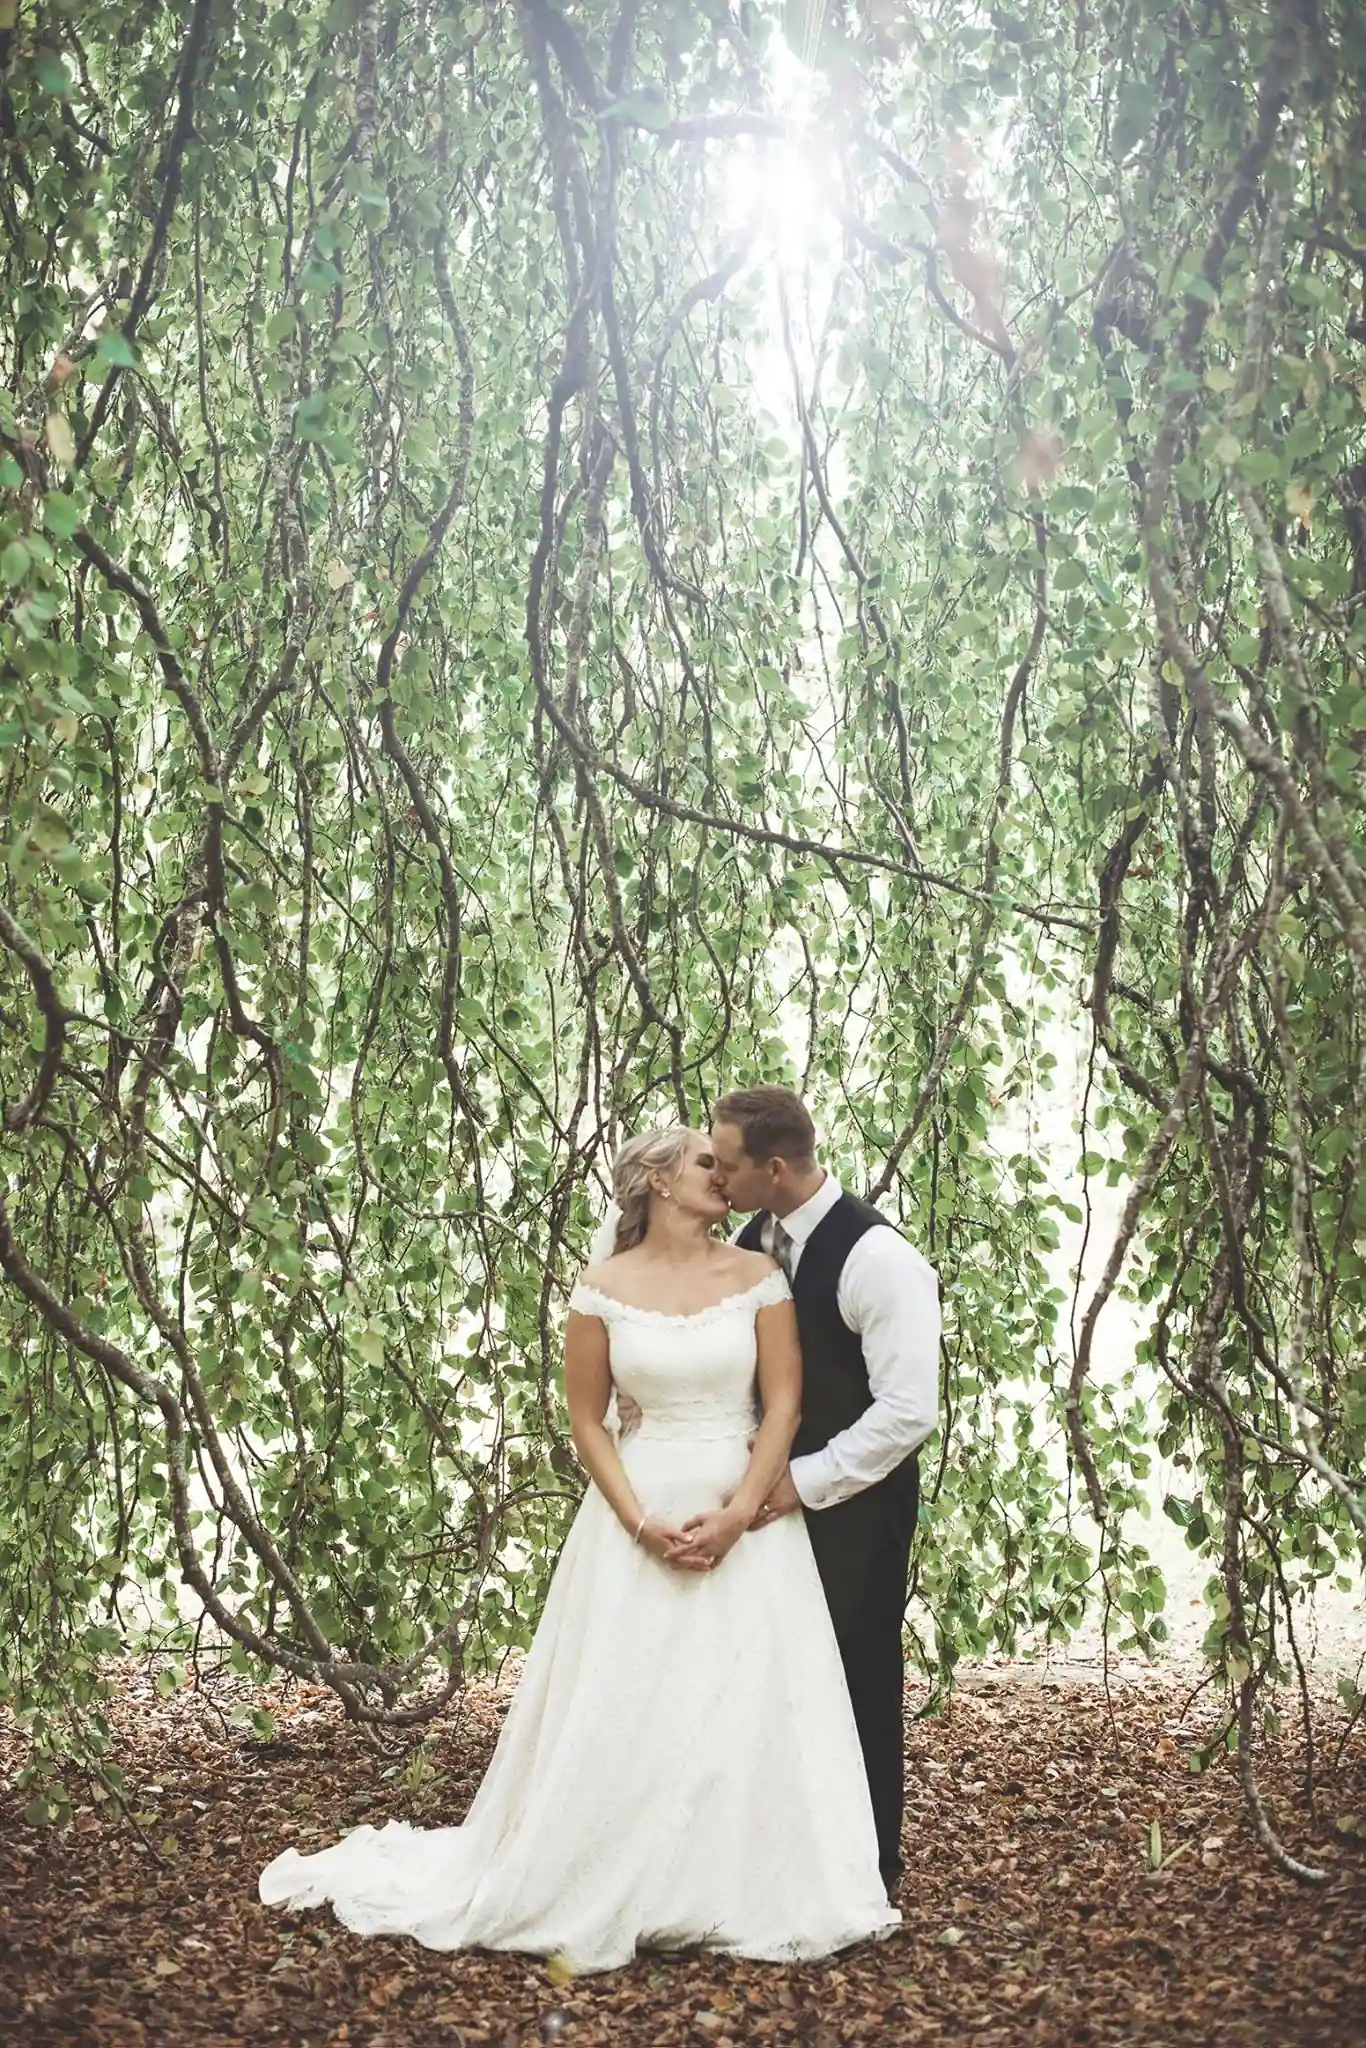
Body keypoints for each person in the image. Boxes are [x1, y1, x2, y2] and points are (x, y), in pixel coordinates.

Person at [259, 1127, 898, 1973]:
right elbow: (587, 1420)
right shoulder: (601, 1288)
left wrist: (743, 1511)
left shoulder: (758, 1277)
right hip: (637, 1512)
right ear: (658, 1182)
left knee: (749, 1695)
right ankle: (614, 1868)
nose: (725, 1177)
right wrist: (636, 1520)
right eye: (706, 1163)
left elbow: (783, 1406)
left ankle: (737, 1878)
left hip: (743, 1516)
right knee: (629, 1697)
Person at [708, 1087, 940, 1893]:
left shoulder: (880, 1260)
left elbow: (908, 1411)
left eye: (727, 1163)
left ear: (774, 1168)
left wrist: (800, 1484)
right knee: (775, 1674)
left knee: (855, 1675)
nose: (715, 1175)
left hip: (858, 1512)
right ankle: (780, 1854)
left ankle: (869, 1865)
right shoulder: (751, 1235)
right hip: (772, 1501)